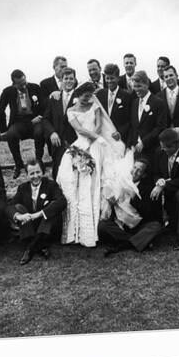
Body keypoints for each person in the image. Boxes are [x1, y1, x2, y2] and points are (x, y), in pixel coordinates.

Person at [57, 82, 141, 247]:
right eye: (84, 96)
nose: (87, 99)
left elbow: (99, 124)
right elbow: (79, 129)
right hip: (81, 143)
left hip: (97, 143)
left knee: (98, 179)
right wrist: (90, 139)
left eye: (89, 96)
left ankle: (98, 226)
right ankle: (78, 230)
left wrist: (95, 138)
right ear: (78, 95)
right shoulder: (71, 110)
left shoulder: (94, 105)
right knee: (73, 180)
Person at [99, 157, 163, 254]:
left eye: (139, 171)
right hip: (122, 225)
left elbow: (148, 213)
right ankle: (135, 241)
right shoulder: (120, 182)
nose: (134, 172)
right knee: (102, 226)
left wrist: (134, 197)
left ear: (144, 175)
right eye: (134, 168)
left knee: (156, 226)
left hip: (138, 225)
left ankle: (124, 244)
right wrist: (112, 203)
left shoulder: (147, 188)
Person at [7, 160, 67, 265]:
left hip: (46, 226)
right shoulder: (23, 188)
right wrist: (19, 216)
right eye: (32, 173)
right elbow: (10, 206)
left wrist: (39, 213)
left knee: (50, 209)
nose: (35, 176)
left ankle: (30, 248)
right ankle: (41, 247)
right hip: (30, 225)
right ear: (27, 175)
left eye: (38, 172)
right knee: (18, 207)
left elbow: (62, 202)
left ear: (43, 172)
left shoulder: (51, 185)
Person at [0, 69, 45, 179]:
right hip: (18, 122)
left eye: (24, 82)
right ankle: (18, 164)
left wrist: (40, 116)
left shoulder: (35, 87)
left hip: (35, 120)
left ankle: (38, 161)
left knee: (39, 133)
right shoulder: (7, 91)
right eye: (20, 84)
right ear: (14, 84)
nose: (24, 85)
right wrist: (3, 129)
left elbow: (44, 105)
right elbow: (0, 110)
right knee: (11, 135)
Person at [42, 67, 78, 178]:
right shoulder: (54, 98)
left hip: (75, 142)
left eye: (71, 78)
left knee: (74, 174)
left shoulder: (80, 98)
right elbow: (45, 119)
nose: (68, 81)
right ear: (61, 80)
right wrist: (52, 132)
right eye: (66, 78)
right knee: (58, 175)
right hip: (58, 144)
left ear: (75, 80)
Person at [126, 70, 167, 160]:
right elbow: (133, 126)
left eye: (139, 86)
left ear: (146, 85)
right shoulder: (134, 103)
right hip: (136, 151)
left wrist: (144, 142)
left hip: (152, 150)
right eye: (135, 86)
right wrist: (130, 145)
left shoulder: (158, 102)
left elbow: (160, 127)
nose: (136, 89)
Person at [97, 63, 132, 143]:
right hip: (104, 138)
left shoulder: (126, 96)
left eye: (112, 78)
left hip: (119, 139)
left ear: (118, 78)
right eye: (107, 78)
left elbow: (129, 120)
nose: (109, 81)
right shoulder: (100, 94)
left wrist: (120, 132)